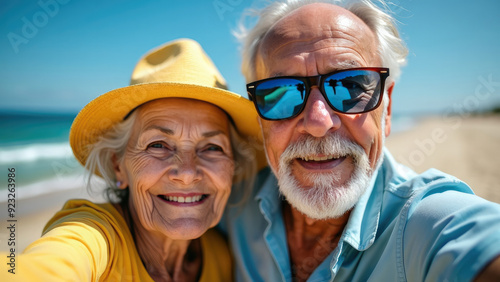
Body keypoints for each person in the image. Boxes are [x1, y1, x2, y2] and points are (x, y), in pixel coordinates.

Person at [220, 1, 500, 281]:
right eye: (283, 93)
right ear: (259, 117)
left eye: (351, 86)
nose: (318, 123)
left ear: (387, 110)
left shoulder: (425, 224)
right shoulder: (231, 206)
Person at [2, 38, 264, 281]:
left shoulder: (223, 256)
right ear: (119, 166)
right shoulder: (95, 235)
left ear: (233, 166)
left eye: (211, 148)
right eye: (158, 145)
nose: (186, 173)